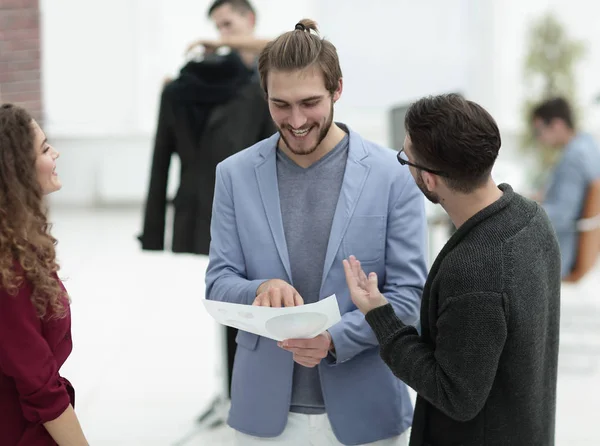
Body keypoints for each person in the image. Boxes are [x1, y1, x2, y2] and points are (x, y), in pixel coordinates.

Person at [205, 19, 428, 445]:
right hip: (263, 414)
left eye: (310, 102)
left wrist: (334, 340)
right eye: (281, 105)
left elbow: (409, 296)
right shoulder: (233, 174)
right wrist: (259, 289)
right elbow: (218, 282)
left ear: (337, 89)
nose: (296, 120)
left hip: (367, 408)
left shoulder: (392, 176)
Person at [343, 94, 562, 446]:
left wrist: (380, 316)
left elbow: (455, 396)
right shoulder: (532, 218)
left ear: (429, 180)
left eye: (406, 159)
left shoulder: (474, 271)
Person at [0, 104, 89, 445]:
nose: (56, 153)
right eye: (45, 148)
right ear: (17, 169)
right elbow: (38, 383)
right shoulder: (8, 265)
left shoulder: (20, 240)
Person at [531, 97, 600, 278]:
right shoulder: (589, 146)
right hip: (571, 243)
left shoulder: (574, 157)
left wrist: (525, 208)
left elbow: (562, 214)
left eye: (539, 130)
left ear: (558, 125)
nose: (539, 138)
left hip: (562, 252)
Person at [186, 0, 271, 70]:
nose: (223, 33)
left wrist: (223, 42)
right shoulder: (221, 66)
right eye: (218, 28)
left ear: (250, 19)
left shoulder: (274, 61)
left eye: (227, 24)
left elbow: (276, 46)